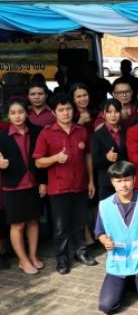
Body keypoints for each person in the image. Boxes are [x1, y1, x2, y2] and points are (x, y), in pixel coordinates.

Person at [34, 93, 97, 274]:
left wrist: (91, 181)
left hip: (81, 185)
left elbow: (88, 156)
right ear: (54, 113)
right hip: (58, 188)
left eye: (68, 108)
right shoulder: (46, 133)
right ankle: (62, 258)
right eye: (61, 110)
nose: (66, 113)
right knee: (61, 227)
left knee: (80, 222)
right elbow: (38, 162)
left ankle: (81, 252)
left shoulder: (81, 131)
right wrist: (55, 158)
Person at [96, 161, 138, 313]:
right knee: (106, 306)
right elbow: (99, 231)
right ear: (112, 182)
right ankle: (127, 282)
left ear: (134, 179)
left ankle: (136, 281)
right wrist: (105, 241)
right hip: (117, 265)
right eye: (118, 181)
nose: (123, 185)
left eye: (127, 180)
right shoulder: (104, 205)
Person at [0, 98, 46, 275]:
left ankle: (33, 256)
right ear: (8, 116)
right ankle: (23, 260)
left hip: (33, 183)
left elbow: (42, 157)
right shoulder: (2, 135)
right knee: (18, 225)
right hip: (13, 185)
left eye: (20, 112)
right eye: (13, 113)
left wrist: (43, 181)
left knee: (33, 221)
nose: (17, 116)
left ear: (27, 113)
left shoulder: (37, 131)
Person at [91, 99, 128, 201]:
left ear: (121, 113)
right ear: (104, 114)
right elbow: (95, 162)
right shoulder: (97, 135)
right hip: (107, 182)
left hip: (126, 181)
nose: (113, 115)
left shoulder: (127, 131)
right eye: (109, 112)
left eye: (116, 111)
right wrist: (106, 158)